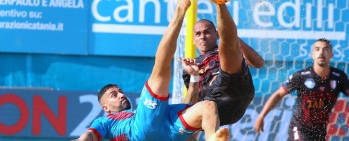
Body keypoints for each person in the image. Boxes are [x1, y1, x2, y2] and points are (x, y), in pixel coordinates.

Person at [73, 0, 230, 141]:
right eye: (114, 95)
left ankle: (212, 138)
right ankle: (180, 10)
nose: (121, 94)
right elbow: (90, 135)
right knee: (161, 72)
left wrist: (195, 77)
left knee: (208, 106)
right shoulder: (104, 122)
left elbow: (189, 106)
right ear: (105, 108)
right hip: (139, 132)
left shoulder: (139, 113)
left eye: (120, 91)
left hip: (168, 131)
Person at [181, 7, 264, 126]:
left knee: (226, 52)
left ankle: (220, 4)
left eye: (207, 32)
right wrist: (194, 75)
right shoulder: (191, 65)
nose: (202, 37)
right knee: (184, 124)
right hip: (214, 105)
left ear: (217, 34)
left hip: (237, 88)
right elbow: (190, 103)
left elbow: (259, 63)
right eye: (198, 34)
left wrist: (231, 37)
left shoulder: (225, 51)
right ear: (193, 40)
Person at [254, 38, 349, 141]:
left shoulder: (339, 77)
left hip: (320, 130)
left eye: (325, 50)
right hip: (300, 127)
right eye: (317, 49)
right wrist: (262, 115)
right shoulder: (301, 76)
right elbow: (278, 94)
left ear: (331, 54)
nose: (321, 53)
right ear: (312, 54)